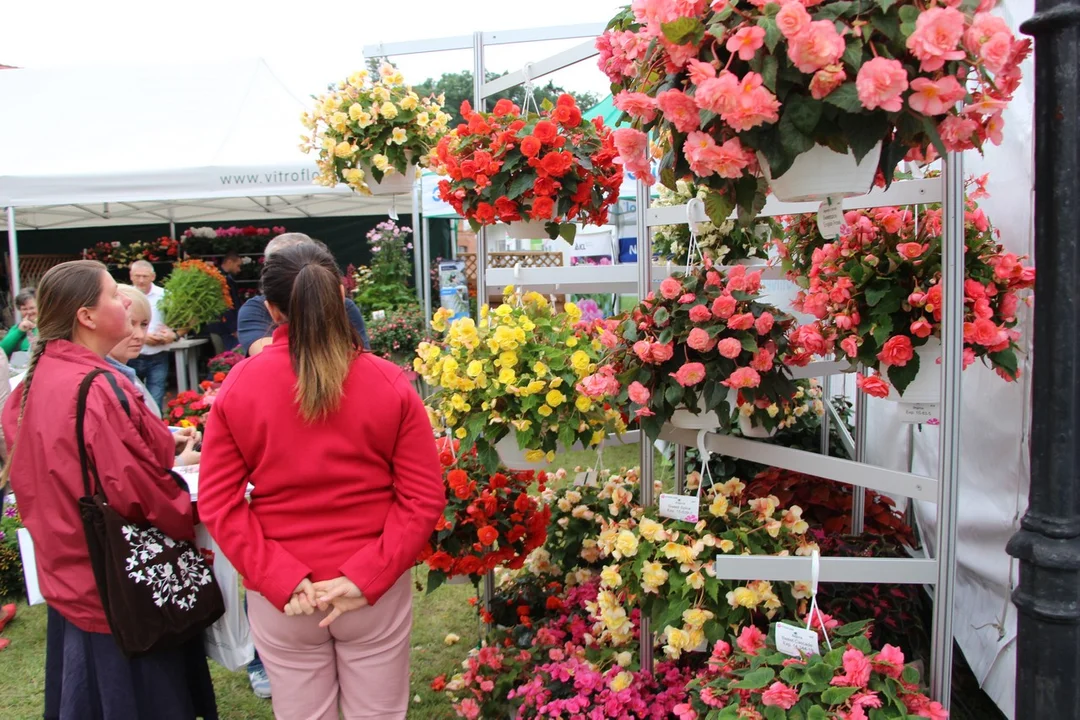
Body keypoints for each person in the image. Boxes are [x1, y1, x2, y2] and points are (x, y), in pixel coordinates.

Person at [199, 243, 444, 720]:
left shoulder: (241, 385)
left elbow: (218, 503)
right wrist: (366, 574)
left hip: (288, 593)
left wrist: (279, 577)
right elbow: (422, 497)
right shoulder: (389, 381)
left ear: (269, 308)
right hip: (368, 583)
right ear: (339, 294)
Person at [0, 260, 217, 719]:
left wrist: (154, 444)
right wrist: (187, 505)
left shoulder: (35, 379)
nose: (125, 300)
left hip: (70, 571)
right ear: (87, 316)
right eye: (113, 296)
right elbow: (136, 493)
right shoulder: (98, 386)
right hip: (117, 584)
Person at [237, 233, 368, 356]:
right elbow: (265, 355)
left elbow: (360, 353)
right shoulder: (256, 309)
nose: (300, 271)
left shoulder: (345, 307)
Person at [128, 260, 178, 409]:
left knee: (156, 397)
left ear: (153, 276)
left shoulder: (165, 295)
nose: (141, 280)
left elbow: (179, 320)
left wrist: (172, 333)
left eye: (145, 276)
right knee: (131, 397)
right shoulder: (125, 296)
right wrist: (144, 337)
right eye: (137, 276)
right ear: (131, 276)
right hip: (133, 355)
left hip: (158, 354)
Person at [207, 252, 242, 351]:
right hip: (225, 327)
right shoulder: (219, 279)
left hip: (224, 326)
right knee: (231, 354)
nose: (239, 269)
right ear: (229, 262)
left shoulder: (220, 277)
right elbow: (226, 305)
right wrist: (233, 327)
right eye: (238, 265)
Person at [1, 288, 38, 358]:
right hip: (18, 366)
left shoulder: (46, 326)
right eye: (24, 309)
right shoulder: (16, 328)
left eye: (32, 308)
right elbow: (2, 351)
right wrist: (19, 331)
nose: (29, 312)